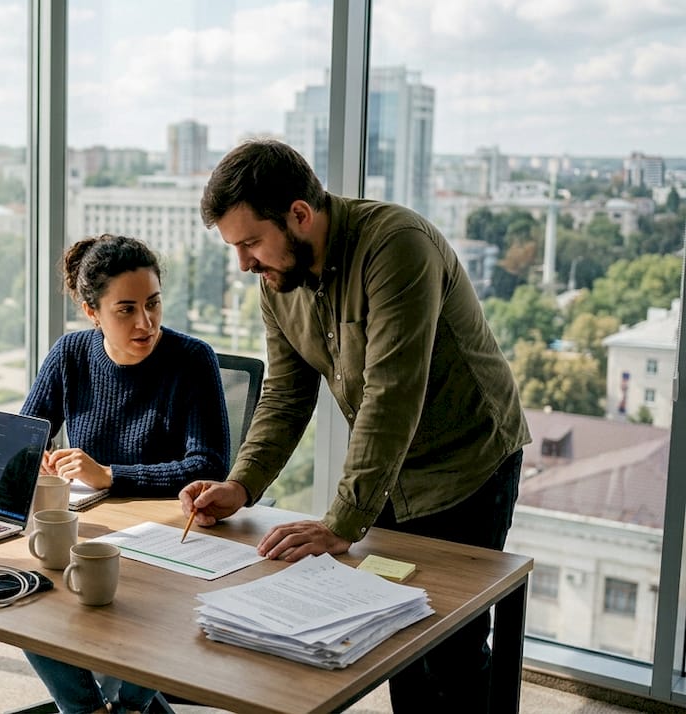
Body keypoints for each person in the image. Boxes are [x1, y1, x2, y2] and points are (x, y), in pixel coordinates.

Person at [179, 139, 530, 713]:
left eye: (249, 243)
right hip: (387, 474)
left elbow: (392, 393)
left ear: (299, 214)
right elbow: (286, 395)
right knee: (395, 628)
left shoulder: (397, 245)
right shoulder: (278, 281)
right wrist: (240, 485)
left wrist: (342, 521)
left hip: (466, 463)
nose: (243, 263)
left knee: (451, 644)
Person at [22, 233, 230, 714]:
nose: (146, 322)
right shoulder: (71, 354)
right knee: (26, 600)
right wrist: (39, 460)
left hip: (167, 544)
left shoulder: (191, 360)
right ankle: (92, 708)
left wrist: (111, 475)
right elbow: (27, 437)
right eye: (126, 309)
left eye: (154, 304)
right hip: (93, 532)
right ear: (92, 312)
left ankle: (122, 706)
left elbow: (209, 465)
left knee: (131, 612)